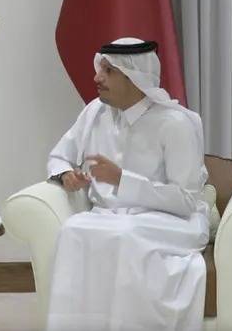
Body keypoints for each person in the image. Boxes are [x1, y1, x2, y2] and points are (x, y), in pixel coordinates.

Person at [45, 37, 209, 331]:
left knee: (125, 234)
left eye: (108, 71)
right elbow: (59, 155)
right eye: (100, 69)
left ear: (134, 77)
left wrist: (122, 180)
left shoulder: (174, 123)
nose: (97, 78)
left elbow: (186, 200)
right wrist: (66, 174)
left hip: (170, 221)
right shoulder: (95, 112)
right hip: (107, 216)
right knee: (72, 229)